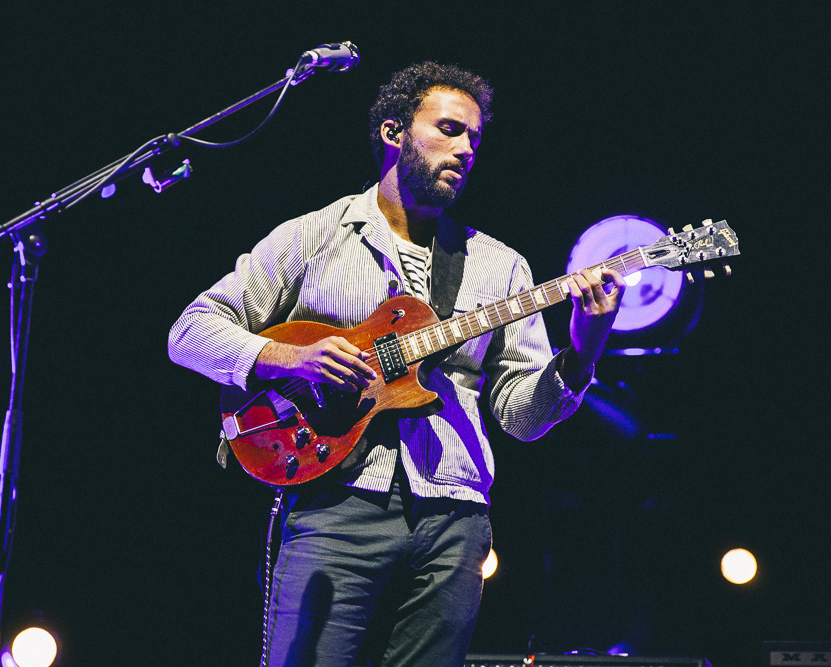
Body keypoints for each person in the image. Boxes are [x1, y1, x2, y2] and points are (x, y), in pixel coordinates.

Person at [168, 61, 625, 667]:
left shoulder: (501, 267)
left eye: (475, 139)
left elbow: (519, 419)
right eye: (448, 129)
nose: (465, 149)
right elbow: (189, 332)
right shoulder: (314, 238)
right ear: (393, 132)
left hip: (455, 517)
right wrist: (289, 357)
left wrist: (585, 349)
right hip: (336, 501)